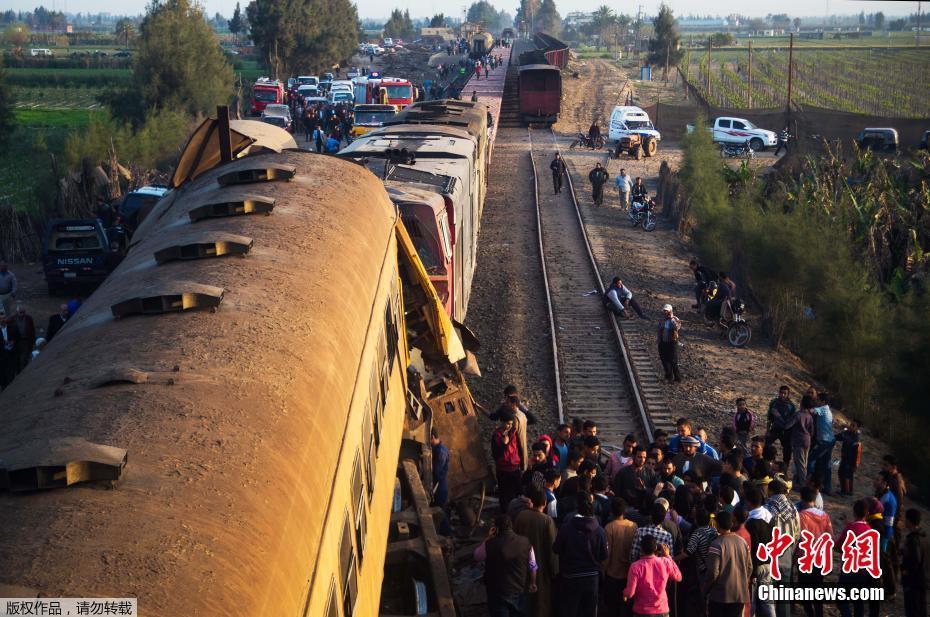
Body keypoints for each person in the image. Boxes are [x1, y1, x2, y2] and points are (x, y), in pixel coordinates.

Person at [552, 492, 608, 617]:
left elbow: (556, 549)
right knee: (589, 611)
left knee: (570, 610)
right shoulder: (599, 531)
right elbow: (604, 555)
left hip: (570, 576)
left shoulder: (566, 528)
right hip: (592, 577)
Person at [474, 514, 538, 617]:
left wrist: (488, 538)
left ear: (496, 529)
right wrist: (533, 582)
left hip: (497, 592)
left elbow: (477, 556)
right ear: (511, 526)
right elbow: (533, 565)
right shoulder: (525, 542)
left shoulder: (490, 544)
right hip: (518, 590)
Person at [514, 486, 558, 617]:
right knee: (540, 602)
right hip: (541, 567)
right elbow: (552, 549)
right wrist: (554, 570)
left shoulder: (521, 516)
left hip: (522, 565)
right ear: (544, 503)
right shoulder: (546, 520)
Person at [702, 510, 751, 617]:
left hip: (720, 596)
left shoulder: (716, 544)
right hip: (739, 596)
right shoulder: (742, 542)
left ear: (717, 524)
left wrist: (705, 589)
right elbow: (749, 567)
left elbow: (712, 572)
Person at [795, 486, 833, 617]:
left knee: (804, 590)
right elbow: (830, 537)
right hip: (821, 558)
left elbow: (797, 539)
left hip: (805, 558)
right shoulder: (825, 516)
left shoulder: (801, 516)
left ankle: (810, 614)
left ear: (802, 499)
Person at [624, 535, 682, 617]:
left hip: (642, 611)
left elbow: (630, 593)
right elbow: (679, 577)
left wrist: (624, 593)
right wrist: (668, 556)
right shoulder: (665, 562)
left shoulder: (635, 566)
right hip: (662, 610)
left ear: (641, 550)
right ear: (655, 548)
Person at [604, 497, 637, 617]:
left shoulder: (609, 527)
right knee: (628, 608)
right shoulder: (633, 526)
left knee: (613, 608)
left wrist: (604, 569)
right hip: (629, 573)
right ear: (625, 511)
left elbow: (607, 554)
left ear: (612, 511)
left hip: (613, 573)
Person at [492, 413, 522, 512]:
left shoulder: (513, 433)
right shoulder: (496, 436)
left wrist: (521, 463)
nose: (509, 426)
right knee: (504, 494)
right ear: (502, 422)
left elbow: (519, 449)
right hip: (503, 470)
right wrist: (504, 444)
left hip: (515, 469)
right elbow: (496, 455)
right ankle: (505, 514)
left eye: (511, 424)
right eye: (508, 424)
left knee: (517, 492)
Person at [902, 509, 929, 617]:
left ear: (909, 520)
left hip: (913, 582)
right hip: (923, 579)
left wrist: (905, 571)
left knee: (912, 611)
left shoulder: (912, 539)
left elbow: (915, 560)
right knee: (922, 610)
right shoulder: (924, 536)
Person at [808, 392, 835, 495]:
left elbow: (812, 411)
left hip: (824, 441)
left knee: (810, 460)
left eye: (818, 400)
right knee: (826, 464)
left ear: (823, 402)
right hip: (829, 440)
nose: (816, 401)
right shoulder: (828, 410)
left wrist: (804, 409)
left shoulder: (823, 409)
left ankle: (809, 483)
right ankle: (827, 487)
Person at [765, 385, 797, 470]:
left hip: (786, 431)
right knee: (767, 444)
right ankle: (768, 463)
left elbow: (793, 421)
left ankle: (784, 468)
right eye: (781, 393)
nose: (782, 395)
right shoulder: (774, 403)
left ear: (788, 395)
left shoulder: (791, 406)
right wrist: (767, 430)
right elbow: (769, 418)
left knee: (787, 450)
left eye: (784, 393)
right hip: (775, 428)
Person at [792, 395, 815, 487]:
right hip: (807, 440)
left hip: (798, 441)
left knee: (800, 464)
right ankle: (798, 483)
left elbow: (788, 425)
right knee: (804, 463)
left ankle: (803, 485)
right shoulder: (810, 416)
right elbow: (812, 431)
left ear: (802, 403)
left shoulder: (798, 415)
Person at [837, 419, 862, 496]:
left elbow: (858, 453)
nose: (851, 426)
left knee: (847, 475)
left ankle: (847, 492)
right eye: (851, 424)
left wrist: (856, 464)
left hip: (851, 460)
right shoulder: (847, 433)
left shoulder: (857, 438)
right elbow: (839, 437)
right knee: (841, 473)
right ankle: (844, 490)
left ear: (857, 428)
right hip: (844, 457)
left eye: (853, 425)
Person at [657, 304, 681, 382]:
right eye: (664, 310)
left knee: (673, 360)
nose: (665, 312)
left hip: (672, 343)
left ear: (670, 311)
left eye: (666, 311)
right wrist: (659, 340)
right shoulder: (662, 320)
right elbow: (659, 330)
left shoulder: (675, 319)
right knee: (664, 360)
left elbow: (677, 327)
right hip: (663, 342)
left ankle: (677, 377)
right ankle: (669, 377)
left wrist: (671, 319)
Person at [9, 304, 35, 373]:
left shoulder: (29, 318)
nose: (22, 314)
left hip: (26, 340)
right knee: (17, 357)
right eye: (21, 312)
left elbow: (32, 330)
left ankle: (23, 372)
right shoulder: (12, 319)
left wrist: (33, 341)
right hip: (16, 341)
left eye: (23, 312)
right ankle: (19, 371)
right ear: (17, 312)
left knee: (24, 358)